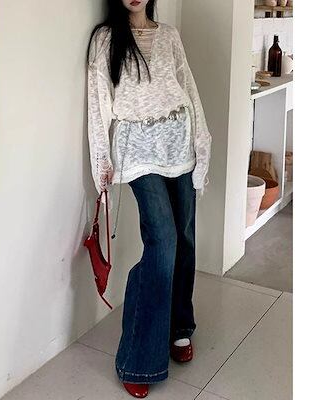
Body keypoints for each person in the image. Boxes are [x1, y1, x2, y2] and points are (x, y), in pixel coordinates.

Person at [86, 0, 212, 397]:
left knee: (185, 238)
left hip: (179, 142)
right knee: (163, 240)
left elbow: (188, 91)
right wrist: (101, 162)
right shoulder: (106, 39)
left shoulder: (169, 36)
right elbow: (98, 104)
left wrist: (202, 143)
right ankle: (138, 358)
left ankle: (179, 326)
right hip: (138, 150)